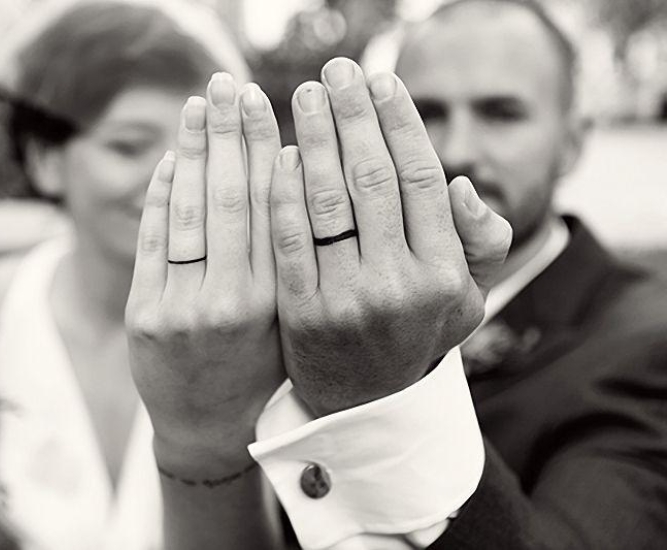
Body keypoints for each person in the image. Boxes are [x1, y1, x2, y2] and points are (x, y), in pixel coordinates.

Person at [126, 0, 667, 549]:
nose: (458, 151)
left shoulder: (648, 343)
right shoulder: (298, 308)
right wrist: (202, 439)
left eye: (502, 114)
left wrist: (389, 392)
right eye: (426, 112)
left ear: (572, 141)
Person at [0, 1, 252, 549]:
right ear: (45, 159)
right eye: (128, 146)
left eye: (195, 145)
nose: (172, 177)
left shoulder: (250, 321)